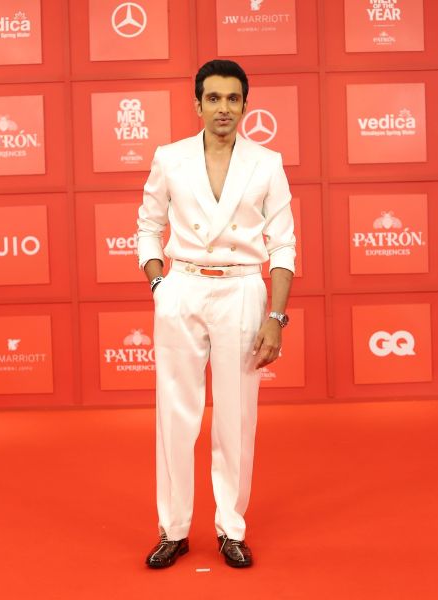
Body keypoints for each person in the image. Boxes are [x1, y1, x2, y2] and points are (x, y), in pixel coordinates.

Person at [136, 59, 295, 569]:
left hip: (243, 290)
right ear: (197, 104)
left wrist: (276, 317)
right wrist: (160, 284)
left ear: (245, 105)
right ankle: (173, 529)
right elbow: (148, 226)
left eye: (232, 98)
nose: (223, 108)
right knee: (175, 414)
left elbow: (283, 245)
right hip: (182, 289)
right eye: (213, 98)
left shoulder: (266, 163)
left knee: (236, 416)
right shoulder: (170, 158)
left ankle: (231, 529)